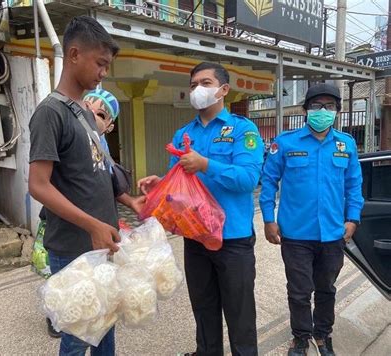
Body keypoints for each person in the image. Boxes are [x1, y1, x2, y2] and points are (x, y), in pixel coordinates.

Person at [29, 16, 142, 356]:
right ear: (74, 54)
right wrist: (93, 224)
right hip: (74, 247)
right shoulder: (51, 112)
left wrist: (130, 201)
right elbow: (38, 185)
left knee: (105, 326)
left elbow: (94, 173)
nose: (104, 72)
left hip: (101, 242)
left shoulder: (83, 111)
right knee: (79, 336)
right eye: (100, 63)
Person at [138, 62, 264, 356]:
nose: (197, 90)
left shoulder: (242, 130)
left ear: (223, 90)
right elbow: (176, 185)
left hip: (233, 241)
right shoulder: (184, 133)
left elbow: (249, 179)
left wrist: (206, 164)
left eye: (205, 83)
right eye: (193, 84)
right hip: (195, 239)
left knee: (240, 316)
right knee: (204, 313)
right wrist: (160, 184)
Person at [259, 83, 364, 356]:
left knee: (326, 289)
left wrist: (352, 219)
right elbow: (268, 182)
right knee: (299, 290)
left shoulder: (347, 144)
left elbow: (354, 186)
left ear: (337, 111)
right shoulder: (285, 142)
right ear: (306, 109)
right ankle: (300, 338)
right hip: (295, 234)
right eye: (317, 105)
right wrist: (268, 219)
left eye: (329, 106)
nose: (323, 111)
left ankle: (323, 335)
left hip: (333, 233)